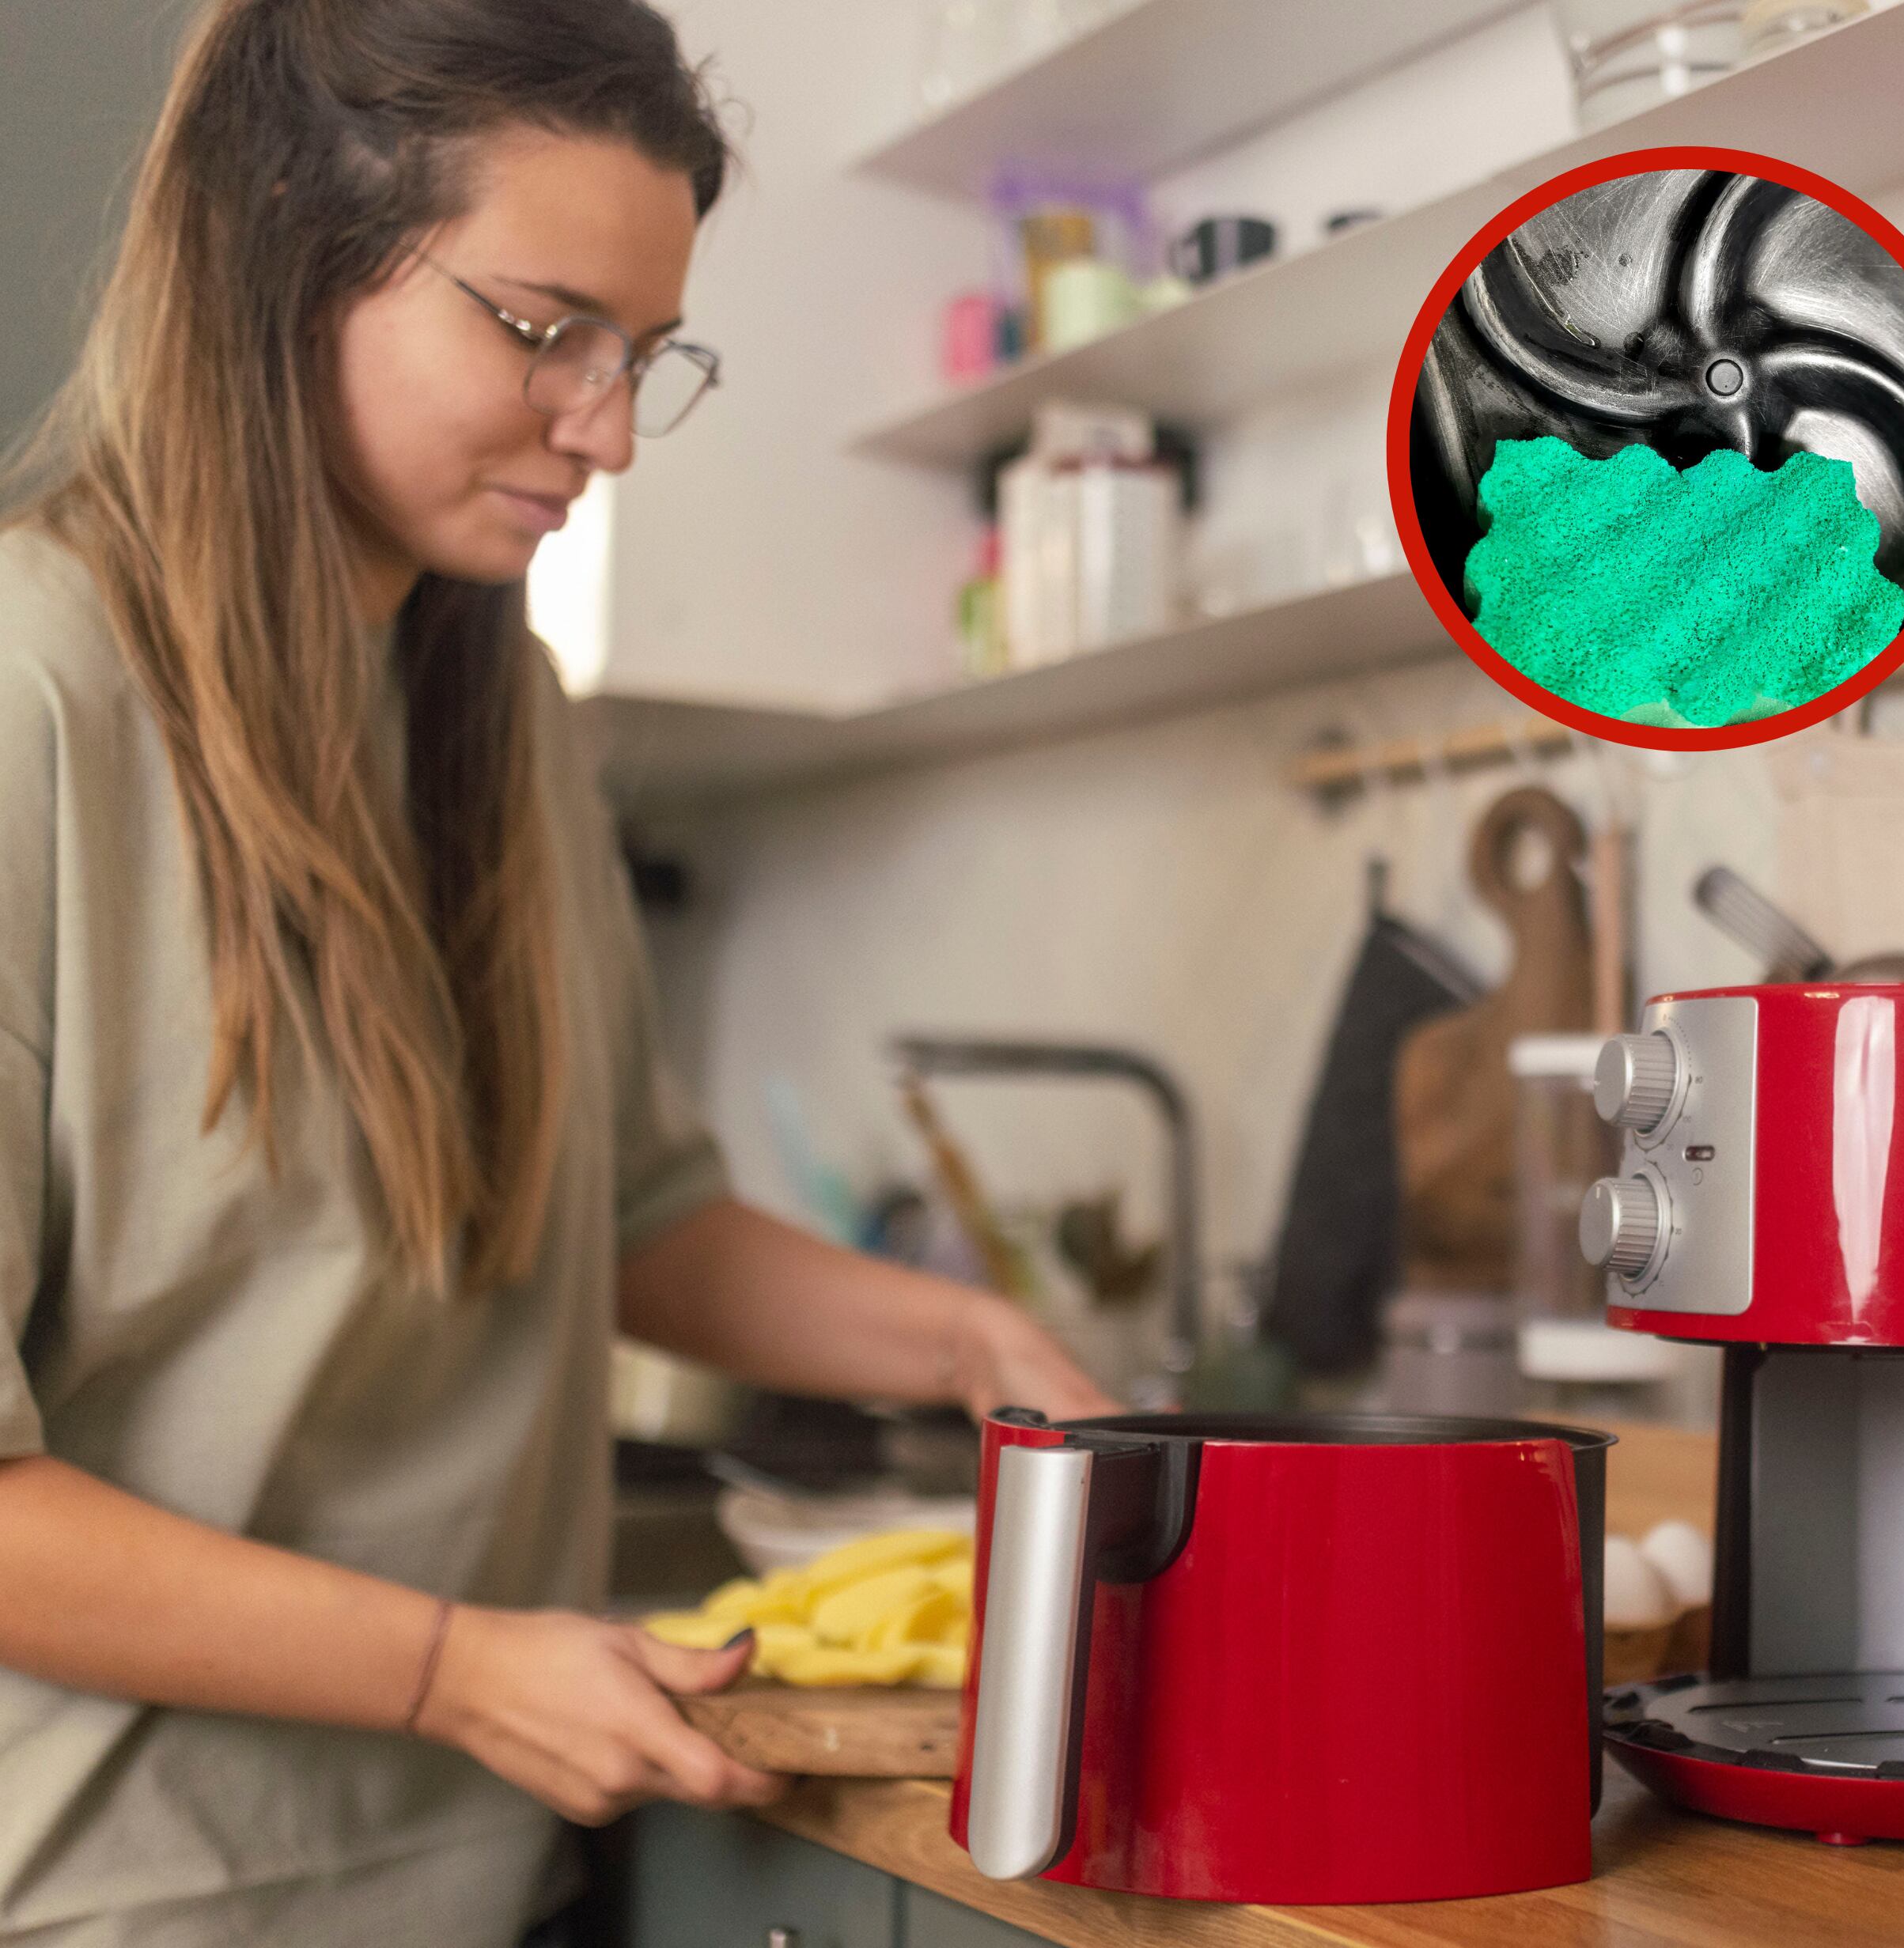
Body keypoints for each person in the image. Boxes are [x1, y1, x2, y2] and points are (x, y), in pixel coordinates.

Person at [0, 2, 1115, 1941]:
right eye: (542, 331)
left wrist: (967, 1350)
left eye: (644, 356)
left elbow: (631, 1213)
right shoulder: (33, 698)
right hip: (130, 1896)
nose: (603, 427)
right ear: (286, 237)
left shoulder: (495, 704)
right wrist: (452, 1666)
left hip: (490, 1869)